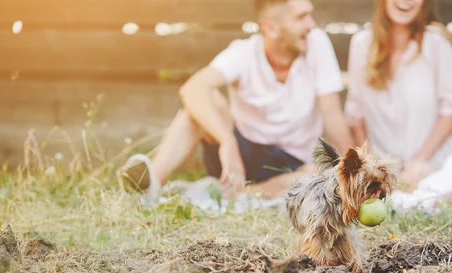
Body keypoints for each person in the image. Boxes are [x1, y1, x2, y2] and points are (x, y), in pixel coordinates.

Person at [121, 0, 355, 203]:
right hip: (238, 158)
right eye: (301, 17)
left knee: (318, 173)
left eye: (310, 14)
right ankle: (151, 184)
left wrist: (354, 171)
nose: (311, 24)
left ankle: (244, 195)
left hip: (291, 163)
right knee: (204, 100)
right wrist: (227, 142)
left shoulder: (316, 44)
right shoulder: (243, 53)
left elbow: (333, 117)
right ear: (271, 28)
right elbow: (194, 88)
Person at [344, 0, 452, 188]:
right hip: (384, 167)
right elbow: (356, 116)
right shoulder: (362, 44)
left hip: (433, 161)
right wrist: (370, 166)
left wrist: (418, 162)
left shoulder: (437, 43)